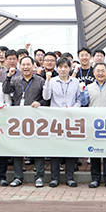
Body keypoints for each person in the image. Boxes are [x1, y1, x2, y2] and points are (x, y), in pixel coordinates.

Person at [3, 56, 47, 187]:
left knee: (38, 148)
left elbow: (46, 99)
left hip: (36, 120)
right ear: (20, 66)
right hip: (18, 120)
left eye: (28, 64)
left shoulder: (40, 81)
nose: (26, 67)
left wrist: (39, 103)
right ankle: (18, 177)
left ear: (34, 66)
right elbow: (5, 90)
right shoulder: (15, 80)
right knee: (18, 149)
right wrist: (8, 77)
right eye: (23, 65)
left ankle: (39, 176)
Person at [80, 62, 106, 188]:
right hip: (94, 125)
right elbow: (84, 103)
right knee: (94, 153)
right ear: (94, 73)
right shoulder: (89, 87)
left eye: (102, 71)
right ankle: (95, 179)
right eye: (98, 71)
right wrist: (82, 92)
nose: (100, 73)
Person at [43, 57, 82, 187]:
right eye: (60, 67)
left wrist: (73, 108)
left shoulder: (75, 82)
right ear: (57, 68)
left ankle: (69, 177)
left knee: (70, 149)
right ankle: (54, 178)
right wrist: (47, 80)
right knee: (55, 150)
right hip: (56, 120)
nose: (63, 69)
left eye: (66, 67)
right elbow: (46, 97)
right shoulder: (52, 81)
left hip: (71, 119)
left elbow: (79, 100)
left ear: (70, 68)